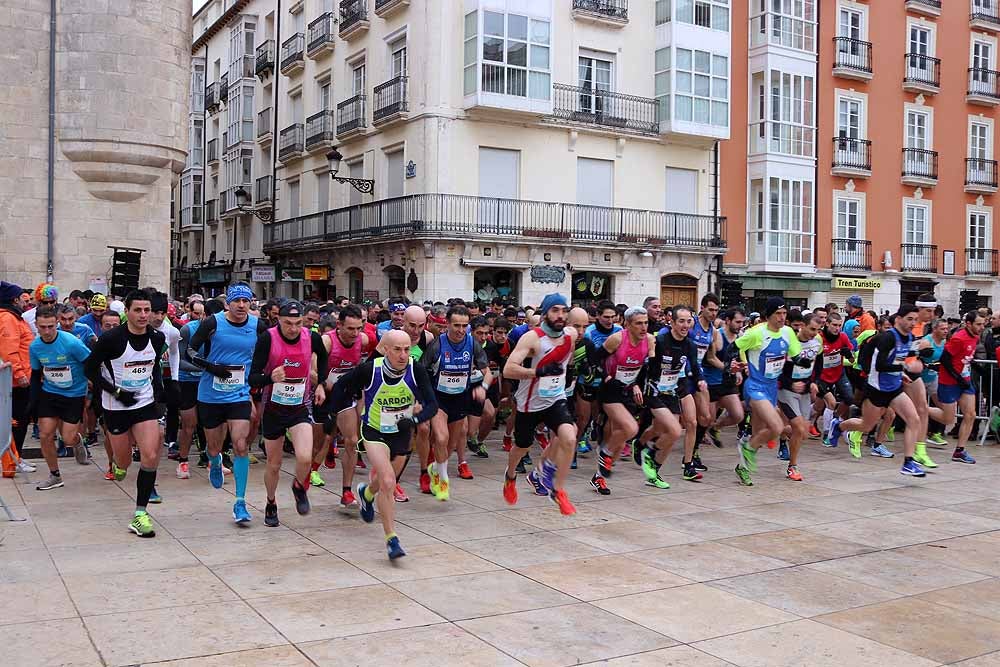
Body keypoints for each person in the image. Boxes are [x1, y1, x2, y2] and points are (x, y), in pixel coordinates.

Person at [328, 329, 438, 559]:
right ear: (385, 349)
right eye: (397, 349)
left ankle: (366, 494)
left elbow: (432, 405)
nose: (402, 355)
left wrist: (414, 420)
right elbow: (341, 386)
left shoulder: (416, 370)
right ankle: (391, 539)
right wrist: (331, 412)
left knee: (385, 482)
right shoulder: (370, 369)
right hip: (374, 431)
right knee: (388, 481)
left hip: (401, 433)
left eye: (407, 349)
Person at [84, 289, 166, 537]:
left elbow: (155, 370)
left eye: (146, 310)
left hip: (144, 402)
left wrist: (160, 398)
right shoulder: (111, 339)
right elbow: (89, 369)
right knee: (124, 462)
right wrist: (116, 391)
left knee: (150, 455)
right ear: (127, 312)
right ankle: (119, 466)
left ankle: (140, 514)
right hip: (116, 406)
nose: (143, 315)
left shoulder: (157, 338)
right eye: (137, 310)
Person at [187, 283, 268, 524]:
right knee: (214, 446)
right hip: (211, 394)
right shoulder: (212, 323)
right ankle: (214, 461)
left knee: (241, 445)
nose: (242, 306)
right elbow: (190, 351)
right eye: (237, 301)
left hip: (239, 394)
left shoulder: (257, 326)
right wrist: (211, 367)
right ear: (228, 303)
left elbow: (269, 349)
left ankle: (240, 502)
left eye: (246, 301)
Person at [249, 301, 327, 526]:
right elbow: (252, 377)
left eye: (298, 323)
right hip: (273, 408)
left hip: (299, 406)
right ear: (278, 321)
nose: (293, 328)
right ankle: (271, 502)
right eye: (287, 324)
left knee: (304, 456)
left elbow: (323, 358)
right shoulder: (268, 339)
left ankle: (298, 487)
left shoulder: (311, 337)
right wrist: (269, 378)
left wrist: (320, 383)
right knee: (274, 464)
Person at [500, 293, 577, 514]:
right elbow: (509, 369)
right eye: (555, 310)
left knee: (569, 437)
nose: (560, 315)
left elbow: (567, 358)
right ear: (545, 313)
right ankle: (510, 475)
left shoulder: (570, 335)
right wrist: (538, 371)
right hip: (529, 404)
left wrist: (568, 372)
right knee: (522, 445)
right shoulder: (533, 338)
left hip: (555, 398)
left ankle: (558, 490)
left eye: (564, 310)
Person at [830, 305, 928, 477]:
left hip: (894, 388)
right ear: (898, 319)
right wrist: (904, 366)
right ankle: (839, 425)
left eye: (915, 319)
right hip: (876, 389)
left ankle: (908, 462)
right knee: (866, 425)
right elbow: (880, 365)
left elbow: (906, 354)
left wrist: (920, 357)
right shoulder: (888, 338)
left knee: (914, 419)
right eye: (909, 319)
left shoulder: (910, 337)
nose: (913, 323)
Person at [422, 305, 492, 498]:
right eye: (456, 325)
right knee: (441, 438)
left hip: (460, 399)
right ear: (447, 324)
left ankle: (435, 468)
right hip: (439, 399)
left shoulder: (472, 344)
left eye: (464, 325)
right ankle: (443, 480)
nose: (461, 330)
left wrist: (483, 388)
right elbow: (420, 372)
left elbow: (488, 374)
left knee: (451, 445)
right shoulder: (437, 345)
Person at [733, 297, 802, 487]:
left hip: (771, 387)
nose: (782, 318)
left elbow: (796, 355)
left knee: (759, 434)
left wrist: (803, 361)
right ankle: (746, 446)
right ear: (768, 316)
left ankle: (743, 467)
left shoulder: (788, 332)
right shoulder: (757, 333)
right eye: (778, 314)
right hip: (754, 386)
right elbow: (735, 346)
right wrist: (741, 364)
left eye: (784, 314)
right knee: (776, 427)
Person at [637, 306, 703, 489]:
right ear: (671, 322)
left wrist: (700, 381)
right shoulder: (661, 341)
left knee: (666, 432)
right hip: (654, 390)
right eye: (681, 321)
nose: (685, 325)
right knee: (674, 429)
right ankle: (649, 455)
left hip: (672, 389)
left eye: (688, 321)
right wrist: (636, 385)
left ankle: (652, 469)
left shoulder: (690, 345)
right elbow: (645, 365)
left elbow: (695, 367)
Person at [590, 306, 654, 495]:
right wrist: (607, 378)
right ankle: (604, 454)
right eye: (639, 324)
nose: (643, 328)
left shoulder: (649, 340)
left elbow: (648, 369)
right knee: (630, 429)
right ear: (627, 324)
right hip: (610, 390)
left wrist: (636, 384)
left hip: (628, 390)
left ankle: (598, 477)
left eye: (646, 323)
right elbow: (595, 359)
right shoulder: (617, 339)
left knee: (617, 437)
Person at [29, 305, 93, 488]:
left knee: (67, 439)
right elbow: (35, 374)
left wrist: (94, 388)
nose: (47, 331)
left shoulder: (71, 342)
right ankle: (55, 475)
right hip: (50, 393)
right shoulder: (35, 346)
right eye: (43, 327)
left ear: (56, 323)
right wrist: (32, 402)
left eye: (51, 326)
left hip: (74, 394)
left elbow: (90, 363)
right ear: (36, 325)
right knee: (45, 434)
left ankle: (78, 441)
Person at [318, 304, 368, 509]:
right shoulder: (327, 341)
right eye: (350, 329)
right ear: (339, 325)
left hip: (345, 397)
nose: (355, 334)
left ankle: (346, 491)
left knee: (352, 440)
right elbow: (312, 370)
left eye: (359, 328)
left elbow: (365, 368)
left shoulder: (363, 341)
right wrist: (325, 384)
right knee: (317, 444)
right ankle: (306, 474)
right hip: (322, 395)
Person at [776, 313, 822, 481]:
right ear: (802, 325)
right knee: (798, 428)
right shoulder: (789, 343)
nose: (814, 333)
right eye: (812, 329)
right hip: (786, 391)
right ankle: (792, 467)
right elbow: (776, 369)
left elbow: (818, 365)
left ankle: (773, 429)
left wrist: (814, 382)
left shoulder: (816, 343)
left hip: (804, 392)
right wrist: (790, 384)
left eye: (818, 330)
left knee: (803, 433)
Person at [935, 311, 983, 464]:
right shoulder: (958, 338)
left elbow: (965, 356)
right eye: (978, 324)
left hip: (965, 381)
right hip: (949, 381)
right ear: (968, 324)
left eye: (983, 324)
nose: (982, 327)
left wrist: (974, 365)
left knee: (970, 414)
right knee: (948, 419)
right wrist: (957, 377)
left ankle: (959, 451)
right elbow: (945, 359)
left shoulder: (975, 336)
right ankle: (920, 409)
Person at [0, 281, 37, 475]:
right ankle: (14, 460)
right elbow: (9, 350)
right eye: (24, 298)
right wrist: (20, 374)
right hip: (15, 382)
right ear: (14, 299)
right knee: (17, 422)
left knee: (19, 422)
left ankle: (15, 459)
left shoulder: (13, 317)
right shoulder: (8, 319)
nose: (27, 302)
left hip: (17, 380)